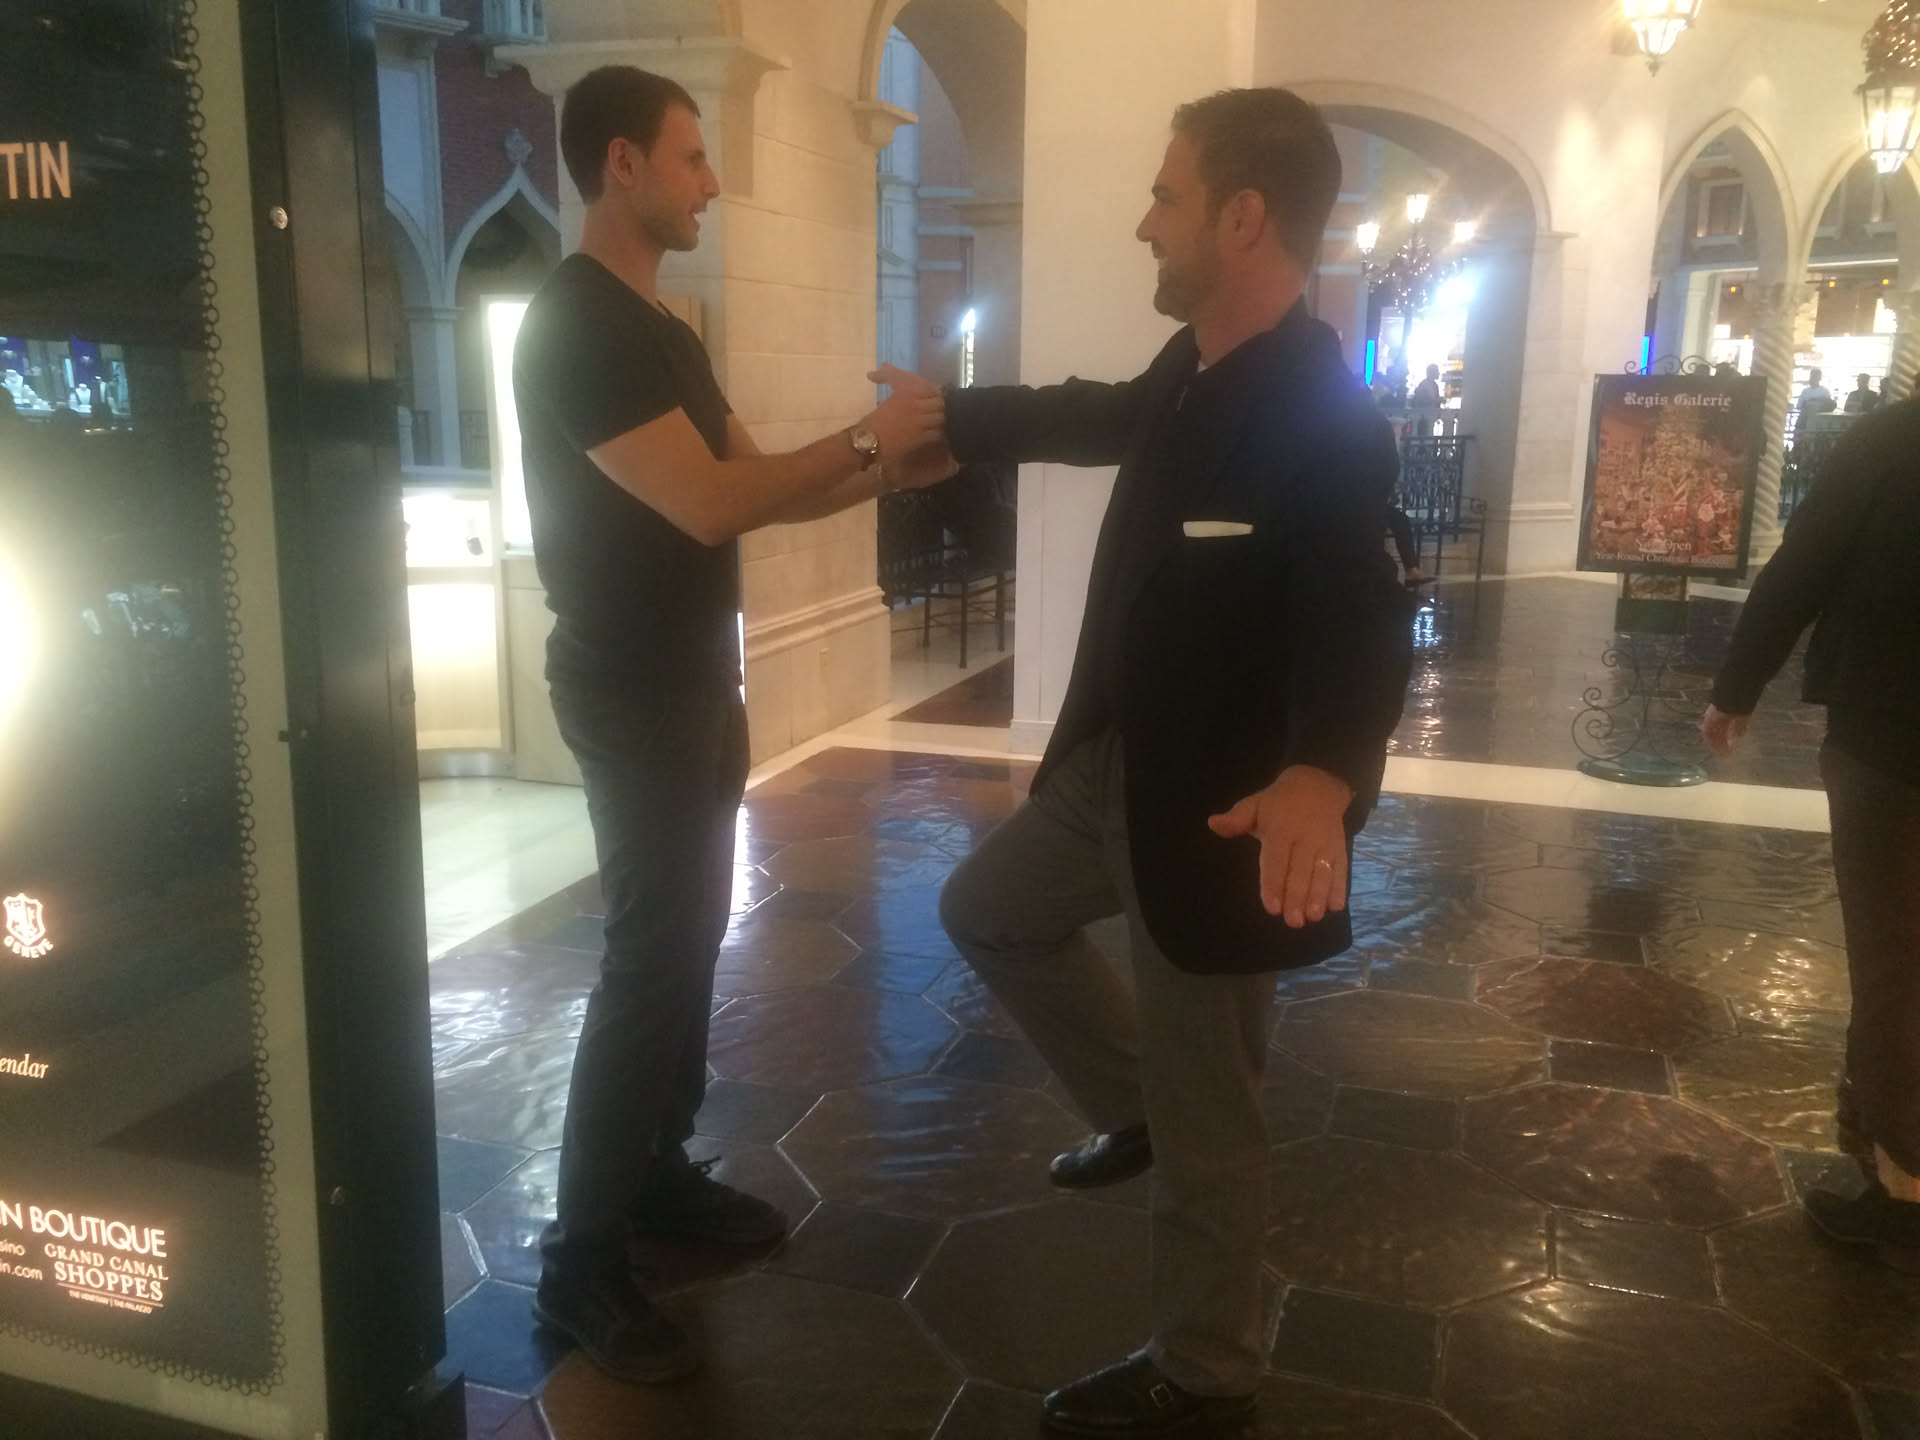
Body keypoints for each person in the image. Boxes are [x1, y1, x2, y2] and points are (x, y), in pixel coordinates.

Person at [887, 87, 1413, 1437]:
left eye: (1166, 195)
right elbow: (1101, 413)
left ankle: (1208, 1375)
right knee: (985, 909)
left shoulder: (1325, 410)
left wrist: (1324, 773)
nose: (1144, 222)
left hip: (1221, 817)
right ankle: (1135, 1107)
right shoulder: (1190, 367)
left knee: (1214, 1122)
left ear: (1242, 218)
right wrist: (956, 415)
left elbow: (1367, 610)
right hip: (1111, 765)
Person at [511, 66, 950, 1384]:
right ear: (623, 165)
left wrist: (900, 460)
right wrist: (865, 442)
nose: (713, 182)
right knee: (648, 957)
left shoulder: (664, 328)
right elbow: (705, 506)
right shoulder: (578, 324)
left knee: (690, 942)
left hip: (695, 676)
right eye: (693, 157)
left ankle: (655, 1172)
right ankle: (580, 1260)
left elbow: (753, 485)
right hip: (631, 686)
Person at [1701, 395, 1920, 1276]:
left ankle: (1904, 1189)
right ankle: (1876, 1124)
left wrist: (1737, 685)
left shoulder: (1895, 439)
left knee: (1896, 957)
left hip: (1894, 735)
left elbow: (1807, 563)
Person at [1409, 361, 1443, 437]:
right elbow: (1422, 400)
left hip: (1430, 416)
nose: (1439, 373)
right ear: (1432, 372)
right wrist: (1437, 400)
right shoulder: (1424, 384)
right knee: (1422, 436)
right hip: (1422, 416)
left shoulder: (1434, 385)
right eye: (1437, 371)